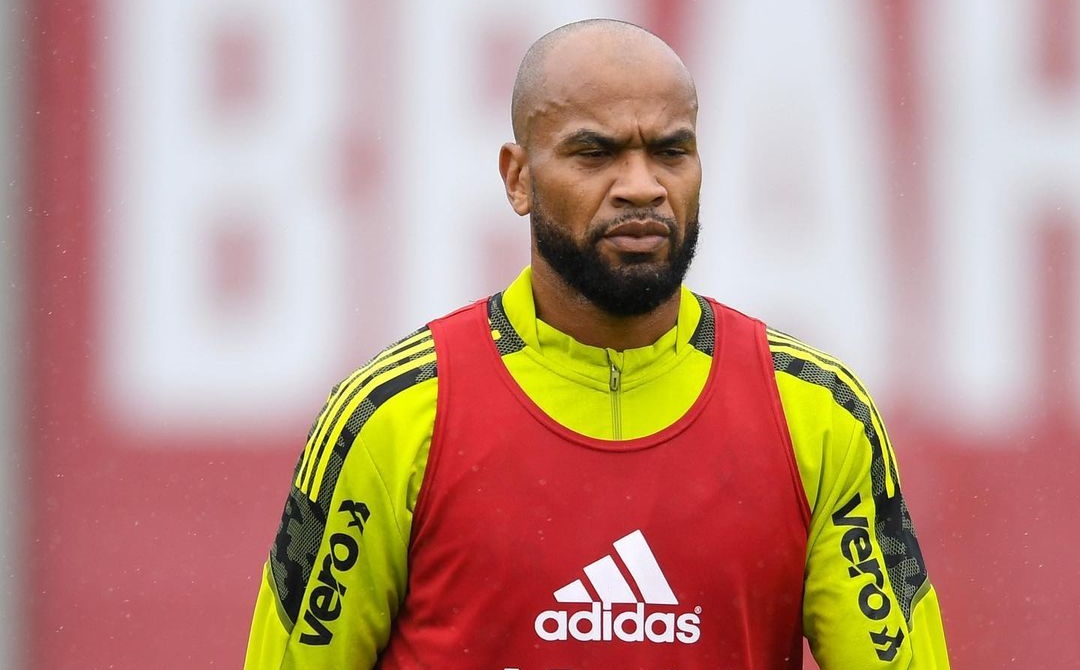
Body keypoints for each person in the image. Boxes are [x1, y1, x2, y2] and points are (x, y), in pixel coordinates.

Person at [243, 18, 950, 669]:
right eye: (595, 153)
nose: (641, 187)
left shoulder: (818, 415)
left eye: (671, 151)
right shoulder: (388, 418)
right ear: (518, 178)